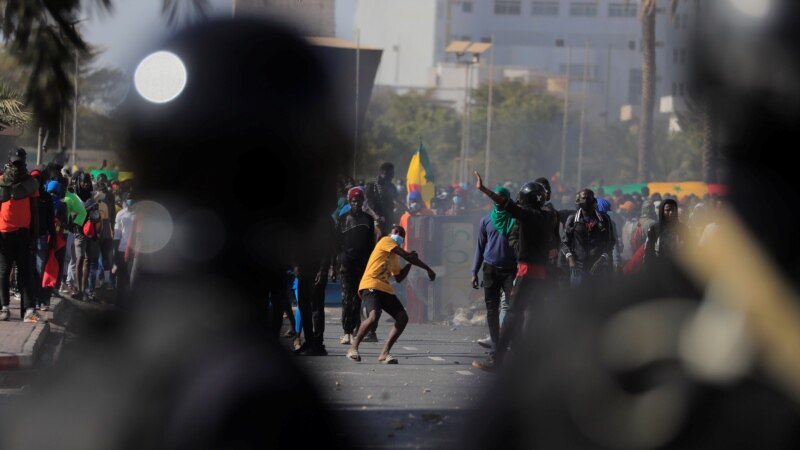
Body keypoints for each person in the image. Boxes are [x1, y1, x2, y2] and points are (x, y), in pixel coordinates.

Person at [471, 172, 554, 370]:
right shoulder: (548, 215)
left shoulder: (527, 215)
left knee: (511, 316)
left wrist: (484, 190)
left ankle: (496, 360)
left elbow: (505, 203)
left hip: (526, 273)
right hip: (541, 274)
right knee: (536, 316)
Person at [346, 225, 436, 364]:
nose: (398, 234)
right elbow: (406, 255)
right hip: (371, 284)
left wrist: (410, 263)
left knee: (402, 317)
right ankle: (353, 348)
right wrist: (428, 269)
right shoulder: (385, 241)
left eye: (402, 234)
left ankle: (384, 353)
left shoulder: (394, 257)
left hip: (384, 288)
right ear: (391, 233)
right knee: (374, 316)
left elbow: (399, 277)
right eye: (397, 232)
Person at [471, 186, 517, 352]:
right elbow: (480, 247)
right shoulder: (486, 220)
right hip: (490, 269)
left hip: (510, 270)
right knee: (492, 308)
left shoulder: (515, 219)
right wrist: (474, 272)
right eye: (496, 197)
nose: (498, 200)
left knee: (511, 307)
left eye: (501, 197)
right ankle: (496, 343)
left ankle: (508, 340)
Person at [0, 148, 41, 322]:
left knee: (26, 273)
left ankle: (29, 310)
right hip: (3, 234)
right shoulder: (1, 181)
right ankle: (4, 308)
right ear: (9, 161)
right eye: (14, 161)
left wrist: (35, 235)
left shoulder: (31, 183)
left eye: (19, 161)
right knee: (3, 272)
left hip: (23, 233)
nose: (16, 165)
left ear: (24, 161)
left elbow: (34, 211)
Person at [335, 186, 376, 345]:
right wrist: (336, 263)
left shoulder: (368, 219)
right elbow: (336, 244)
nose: (356, 204)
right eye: (353, 201)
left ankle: (355, 329)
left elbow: (371, 245)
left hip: (362, 265)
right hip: (346, 264)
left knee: (358, 299)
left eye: (359, 201)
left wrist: (370, 264)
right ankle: (346, 331)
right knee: (346, 299)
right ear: (349, 201)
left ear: (362, 201)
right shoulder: (343, 219)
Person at [561, 189, 615, 286]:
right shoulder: (572, 219)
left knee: (599, 298)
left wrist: (601, 259)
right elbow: (564, 242)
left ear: (593, 200)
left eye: (587, 198)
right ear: (578, 201)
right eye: (583, 198)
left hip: (599, 268)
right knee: (578, 298)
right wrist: (570, 259)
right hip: (578, 267)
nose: (585, 201)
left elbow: (611, 241)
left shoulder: (603, 219)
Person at [643, 198, 688, 269]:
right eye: (667, 210)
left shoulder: (683, 229)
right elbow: (648, 251)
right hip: (659, 270)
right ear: (662, 211)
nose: (671, 212)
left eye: (673, 210)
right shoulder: (654, 229)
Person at [364, 162, 400, 237]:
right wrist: (375, 216)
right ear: (384, 172)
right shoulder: (372, 185)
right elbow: (366, 204)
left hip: (388, 220)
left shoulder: (391, 186)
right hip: (374, 220)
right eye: (392, 173)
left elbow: (397, 201)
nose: (393, 176)